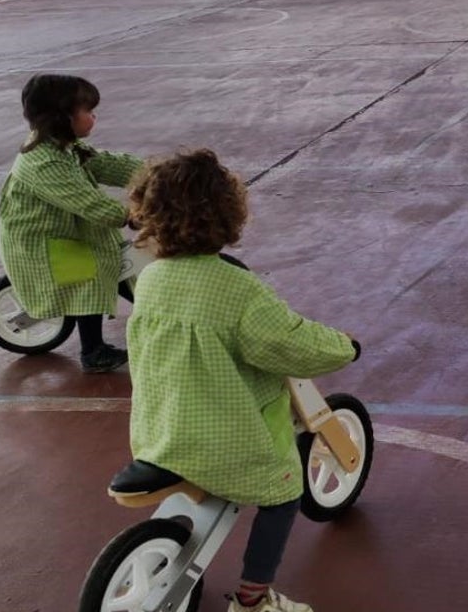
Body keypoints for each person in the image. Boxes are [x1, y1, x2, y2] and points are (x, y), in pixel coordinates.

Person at [126, 148, 360, 612]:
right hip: (227, 443)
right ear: (229, 216)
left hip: (159, 431)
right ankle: (254, 599)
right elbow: (288, 342)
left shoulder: (150, 280)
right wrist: (344, 346)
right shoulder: (239, 291)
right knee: (284, 493)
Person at [0, 74, 142, 373]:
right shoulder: (44, 162)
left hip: (69, 231)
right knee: (90, 280)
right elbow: (87, 202)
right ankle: (93, 352)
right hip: (46, 241)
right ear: (62, 118)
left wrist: (153, 172)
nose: (94, 116)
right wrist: (129, 215)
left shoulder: (66, 146)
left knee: (114, 265)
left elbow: (104, 163)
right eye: (87, 111)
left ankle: (141, 314)